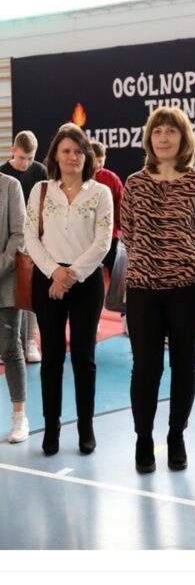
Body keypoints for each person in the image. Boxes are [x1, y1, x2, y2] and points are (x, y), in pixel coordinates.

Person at [121, 107, 195, 474]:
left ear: (184, 138)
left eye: (171, 131)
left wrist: (188, 263)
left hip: (189, 290)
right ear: (149, 138)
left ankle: (176, 435)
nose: (163, 137)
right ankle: (143, 438)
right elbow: (128, 232)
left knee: (185, 363)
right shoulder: (135, 183)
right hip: (143, 289)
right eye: (157, 131)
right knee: (145, 367)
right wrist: (151, 262)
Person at [25, 123, 113, 456]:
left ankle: (86, 427)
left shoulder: (100, 193)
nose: (72, 157)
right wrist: (55, 272)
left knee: (84, 358)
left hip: (86, 283)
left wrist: (71, 275)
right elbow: (31, 237)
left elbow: (103, 242)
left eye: (78, 151)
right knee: (51, 359)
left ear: (87, 156)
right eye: (66, 151)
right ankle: (51, 427)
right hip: (47, 281)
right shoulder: (41, 191)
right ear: (56, 156)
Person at [1, 129, 47, 363]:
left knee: (31, 289)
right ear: (12, 151)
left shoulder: (40, 171)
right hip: (12, 240)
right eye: (21, 158)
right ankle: (8, 341)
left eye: (30, 158)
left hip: (36, 238)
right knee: (10, 291)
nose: (25, 163)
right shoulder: (3, 174)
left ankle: (30, 339)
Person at [0, 172, 28, 443]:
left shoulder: (10, 186)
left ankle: (19, 417)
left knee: (10, 348)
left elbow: (19, 235)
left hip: (5, 283)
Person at [90, 141, 124, 276]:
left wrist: (121, 229)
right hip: (88, 237)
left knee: (114, 272)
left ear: (105, 158)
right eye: (95, 160)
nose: (98, 165)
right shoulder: (79, 178)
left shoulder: (112, 178)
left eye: (101, 161)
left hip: (110, 235)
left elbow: (120, 205)